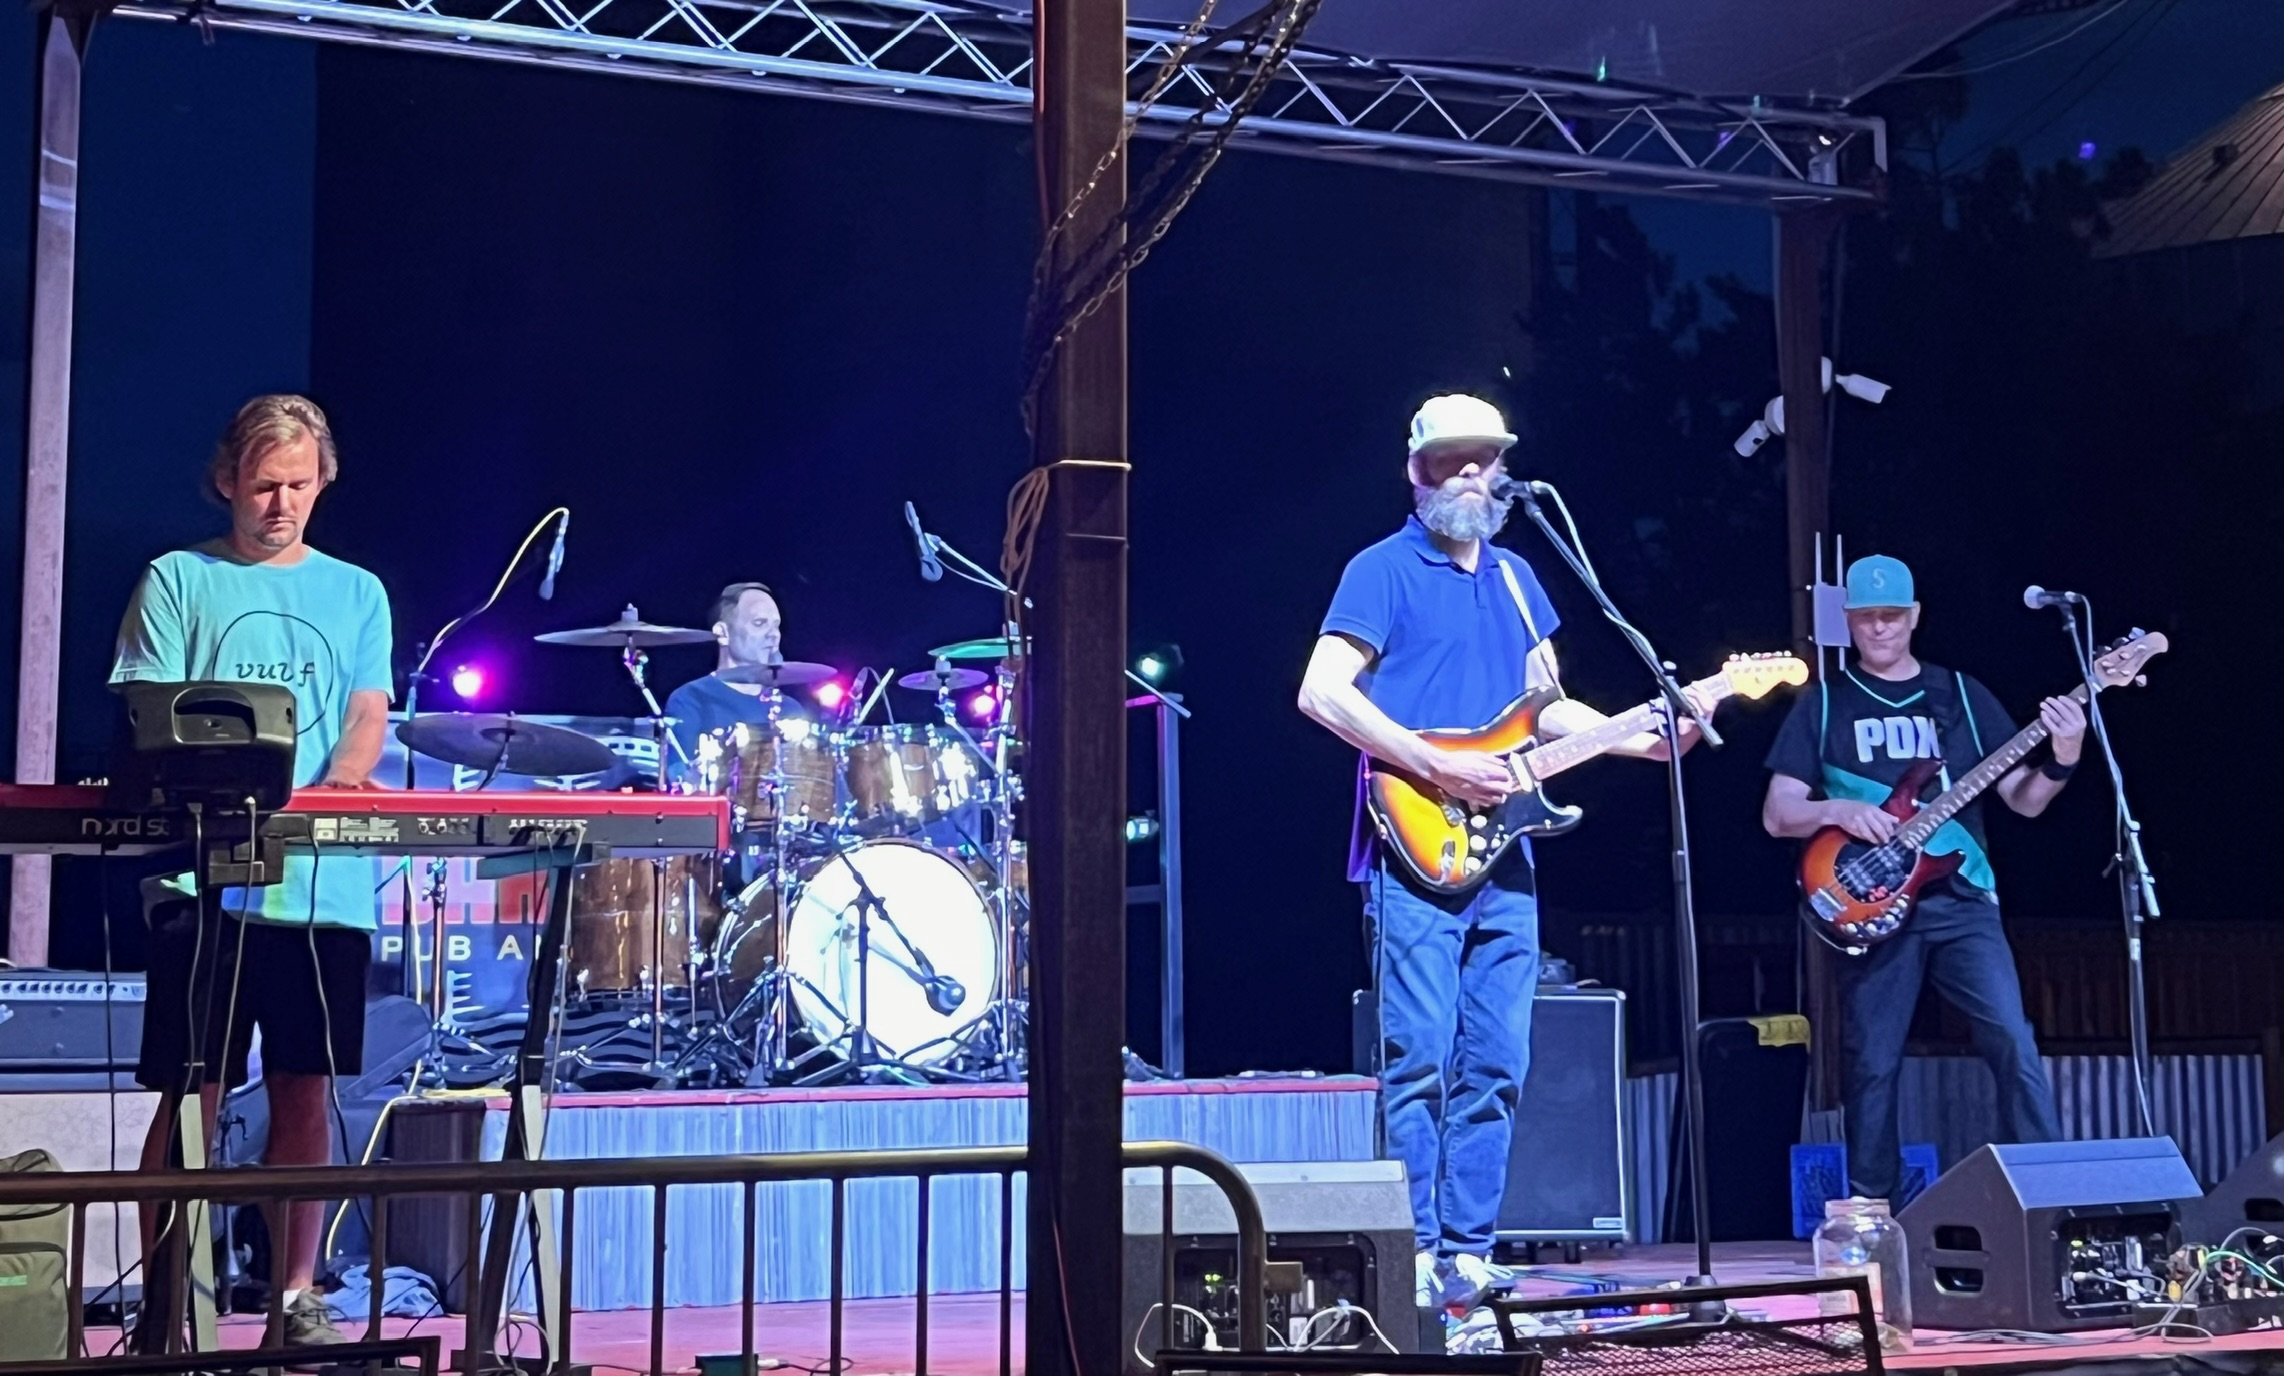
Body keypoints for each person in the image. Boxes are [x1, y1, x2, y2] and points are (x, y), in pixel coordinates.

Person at [1297, 394, 1697, 1311]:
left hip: (1506, 851)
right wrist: (1431, 760)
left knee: (1500, 1059)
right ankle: (1412, 1252)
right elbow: (1323, 692)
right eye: (1452, 460)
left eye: (1485, 459)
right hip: (1416, 846)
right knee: (1421, 1057)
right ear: (1417, 471)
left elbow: (1546, 705)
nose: (1471, 473)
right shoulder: (1381, 569)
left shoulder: (1519, 576)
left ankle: (1470, 1252)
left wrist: (1635, 736)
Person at [114, 395, 393, 1347]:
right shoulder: (179, 578)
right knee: (189, 1088)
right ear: (227, 478)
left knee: (306, 1087)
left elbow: (365, 710)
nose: (282, 503)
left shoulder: (358, 592)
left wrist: (342, 783)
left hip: (320, 884)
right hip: (204, 879)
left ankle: (295, 1295)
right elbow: (149, 710)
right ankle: (163, 1296)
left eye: (300, 486)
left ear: (324, 485)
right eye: (265, 484)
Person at [1762, 554, 2082, 1203]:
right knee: (1872, 1063)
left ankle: (2048, 1198)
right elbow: (1778, 814)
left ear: (1914, 617)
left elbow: (2022, 799)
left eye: (1890, 616)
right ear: (1848, 623)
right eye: (1865, 618)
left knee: (2012, 1041)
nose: (1878, 630)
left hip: (1962, 897)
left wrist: (2065, 757)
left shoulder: (1961, 695)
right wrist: (1838, 809)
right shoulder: (1824, 706)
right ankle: (1870, 1209)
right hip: (1872, 900)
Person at [663, 581, 811, 774]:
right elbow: (678, 779)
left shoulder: (789, 709)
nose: (773, 634)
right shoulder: (690, 699)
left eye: (777, 626)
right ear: (723, 633)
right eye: (760, 623)